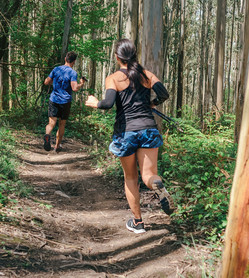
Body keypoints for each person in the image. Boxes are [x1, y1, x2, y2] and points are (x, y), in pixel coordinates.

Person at [85, 39, 173, 234]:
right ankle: (156, 185)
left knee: (131, 178)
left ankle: (138, 222)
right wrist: (153, 103)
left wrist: (94, 103)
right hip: (149, 129)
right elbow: (164, 94)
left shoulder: (114, 78)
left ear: (117, 57)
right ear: (134, 55)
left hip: (126, 133)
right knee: (148, 175)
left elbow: (107, 104)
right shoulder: (146, 75)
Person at [43, 52, 84, 152]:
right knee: (62, 124)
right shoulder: (72, 73)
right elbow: (74, 88)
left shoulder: (56, 69)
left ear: (65, 58)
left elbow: (46, 82)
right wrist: (81, 84)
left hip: (54, 99)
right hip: (65, 101)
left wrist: (54, 81)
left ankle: (47, 135)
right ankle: (57, 146)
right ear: (74, 61)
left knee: (51, 123)